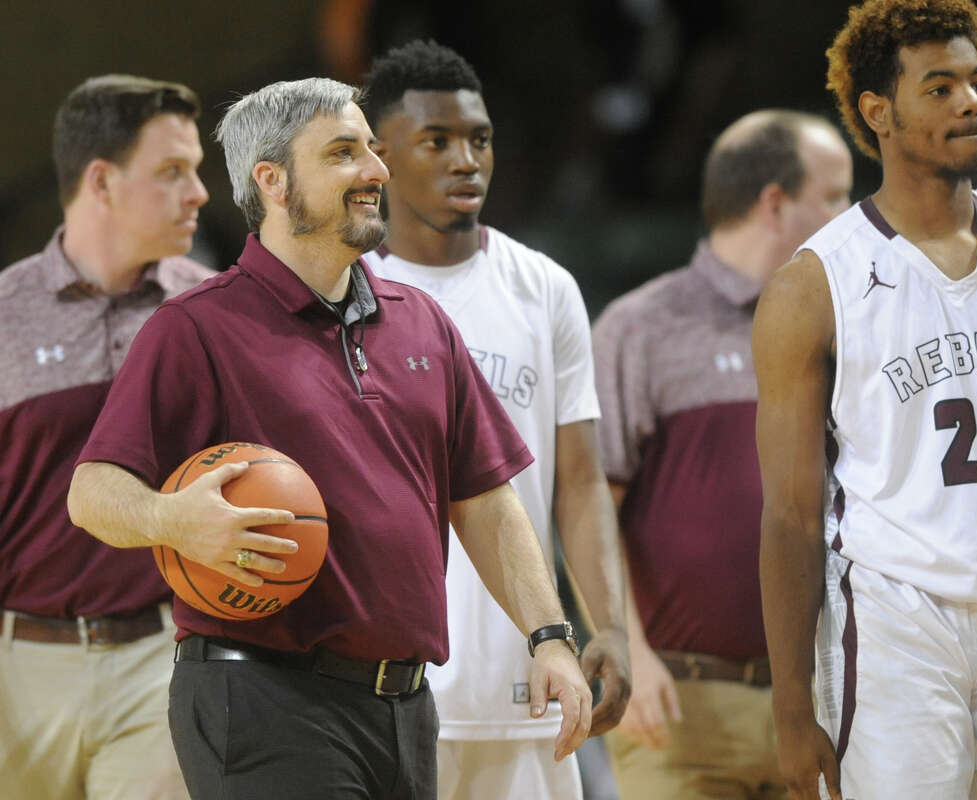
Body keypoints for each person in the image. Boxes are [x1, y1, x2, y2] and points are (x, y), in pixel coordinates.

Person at [65, 76, 593, 800]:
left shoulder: (423, 322)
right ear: (273, 181)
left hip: (405, 702)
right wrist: (172, 519)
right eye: (344, 153)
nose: (376, 170)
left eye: (372, 149)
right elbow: (92, 491)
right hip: (262, 695)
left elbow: (486, 501)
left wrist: (550, 636)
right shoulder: (195, 328)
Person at [754, 0, 977, 797]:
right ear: (878, 112)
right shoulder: (813, 286)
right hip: (893, 623)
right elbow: (791, 516)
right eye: (939, 88)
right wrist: (790, 705)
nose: (970, 102)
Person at [359, 40, 632, 800]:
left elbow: (581, 482)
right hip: (383, 688)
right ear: (380, 157)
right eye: (436, 141)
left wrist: (609, 625)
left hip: (526, 678)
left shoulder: (544, 288)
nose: (466, 161)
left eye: (479, 140)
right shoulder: (344, 292)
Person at [591, 109, 853, 799]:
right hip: (682, 703)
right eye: (834, 196)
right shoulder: (639, 327)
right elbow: (588, 509)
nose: (850, 216)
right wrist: (628, 652)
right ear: (775, 204)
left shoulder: (845, 325)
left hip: (823, 696)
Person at [0, 74, 212, 800]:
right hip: (18, 664)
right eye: (172, 171)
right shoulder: (5, 314)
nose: (199, 193)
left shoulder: (212, 310)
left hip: (161, 655)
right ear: (101, 182)